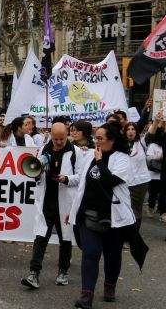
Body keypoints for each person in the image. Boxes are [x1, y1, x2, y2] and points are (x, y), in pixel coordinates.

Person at [69, 124, 134, 308]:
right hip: (89, 213)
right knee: (90, 253)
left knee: (112, 255)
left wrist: (99, 162)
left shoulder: (122, 159)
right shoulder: (90, 155)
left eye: (100, 138)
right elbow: (81, 182)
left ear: (111, 140)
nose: (96, 142)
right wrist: (72, 209)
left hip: (114, 217)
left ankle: (109, 286)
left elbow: (111, 181)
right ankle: (86, 295)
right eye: (95, 138)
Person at [21, 123, 83, 290]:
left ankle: (63, 271)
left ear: (67, 135)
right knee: (40, 238)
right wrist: (38, 173)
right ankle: (34, 273)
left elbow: (81, 176)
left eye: (61, 139)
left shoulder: (75, 152)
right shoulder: (43, 150)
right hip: (46, 202)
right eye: (55, 138)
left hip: (65, 203)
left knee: (65, 239)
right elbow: (35, 174)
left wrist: (67, 179)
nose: (58, 142)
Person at [124, 123, 150, 229]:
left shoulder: (142, 143)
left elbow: (151, 133)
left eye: (133, 129)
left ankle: (133, 237)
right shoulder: (120, 145)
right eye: (128, 129)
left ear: (136, 131)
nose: (130, 131)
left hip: (140, 182)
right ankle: (126, 236)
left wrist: (157, 121)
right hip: (125, 182)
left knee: (136, 210)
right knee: (126, 209)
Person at [145, 135, 165, 221]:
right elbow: (148, 158)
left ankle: (163, 213)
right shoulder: (153, 145)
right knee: (153, 194)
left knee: (163, 195)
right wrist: (159, 157)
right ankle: (150, 207)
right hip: (154, 174)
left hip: (164, 174)